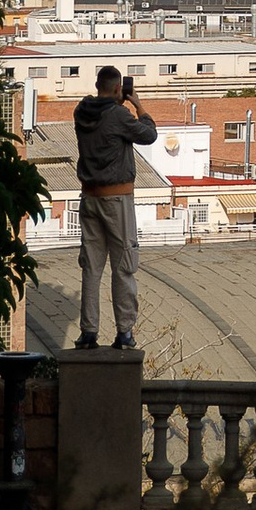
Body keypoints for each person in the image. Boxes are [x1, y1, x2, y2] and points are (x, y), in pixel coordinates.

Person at [73, 64, 156, 349]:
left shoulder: (80, 112)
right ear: (119, 88)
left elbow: (102, 112)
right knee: (123, 265)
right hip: (117, 198)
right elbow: (148, 134)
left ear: (97, 86)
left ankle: (88, 332)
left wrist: (115, 100)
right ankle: (124, 332)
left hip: (89, 198)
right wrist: (138, 106)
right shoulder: (119, 115)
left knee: (91, 268)